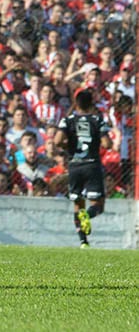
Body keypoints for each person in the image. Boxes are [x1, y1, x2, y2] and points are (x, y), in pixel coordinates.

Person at [54, 89, 109, 248]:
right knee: (98, 204)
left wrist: (69, 144)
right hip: (92, 164)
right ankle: (88, 215)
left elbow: (57, 141)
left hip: (74, 165)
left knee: (78, 204)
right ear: (92, 104)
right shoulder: (97, 120)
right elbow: (107, 144)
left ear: (75, 103)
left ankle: (83, 242)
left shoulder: (67, 121)